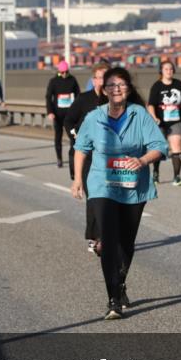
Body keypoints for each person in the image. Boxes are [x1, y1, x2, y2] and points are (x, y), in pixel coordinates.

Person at [71, 68, 166, 320]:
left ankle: (120, 280)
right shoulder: (93, 117)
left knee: (126, 241)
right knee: (110, 240)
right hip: (102, 184)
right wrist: (78, 179)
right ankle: (113, 299)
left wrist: (143, 160)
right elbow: (81, 148)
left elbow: (159, 146)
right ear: (104, 90)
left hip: (134, 186)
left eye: (121, 85)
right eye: (111, 85)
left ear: (129, 89)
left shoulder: (140, 115)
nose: (117, 89)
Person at [68, 62, 109, 254]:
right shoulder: (83, 99)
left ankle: (108, 235)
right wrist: (76, 136)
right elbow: (69, 121)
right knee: (94, 197)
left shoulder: (117, 101)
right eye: (100, 77)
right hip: (89, 157)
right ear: (94, 80)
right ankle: (96, 237)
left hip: (110, 157)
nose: (103, 81)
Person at [147, 60, 181, 186]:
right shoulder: (157, 86)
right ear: (161, 71)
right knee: (159, 148)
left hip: (176, 120)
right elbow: (150, 105)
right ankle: (155, 173)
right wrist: (154, 117)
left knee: (176, 147)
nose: (169, 71)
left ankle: (176, 177)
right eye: (166, 69)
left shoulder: (179, 84)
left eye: (171, 69)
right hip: (160, 122)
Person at [45, 60, 81, 171]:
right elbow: (48, 97)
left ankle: (73, 158)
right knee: (58, 136)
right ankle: (59, 158)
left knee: (73, 137)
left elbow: (78, 95)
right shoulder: (54, 81)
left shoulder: (73, 80)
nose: (64, 74)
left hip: (70, 114)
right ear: (59, 72)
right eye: (62, 72)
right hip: (57, 114)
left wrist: (79, 110)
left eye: (66, 72)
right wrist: (50, 112)